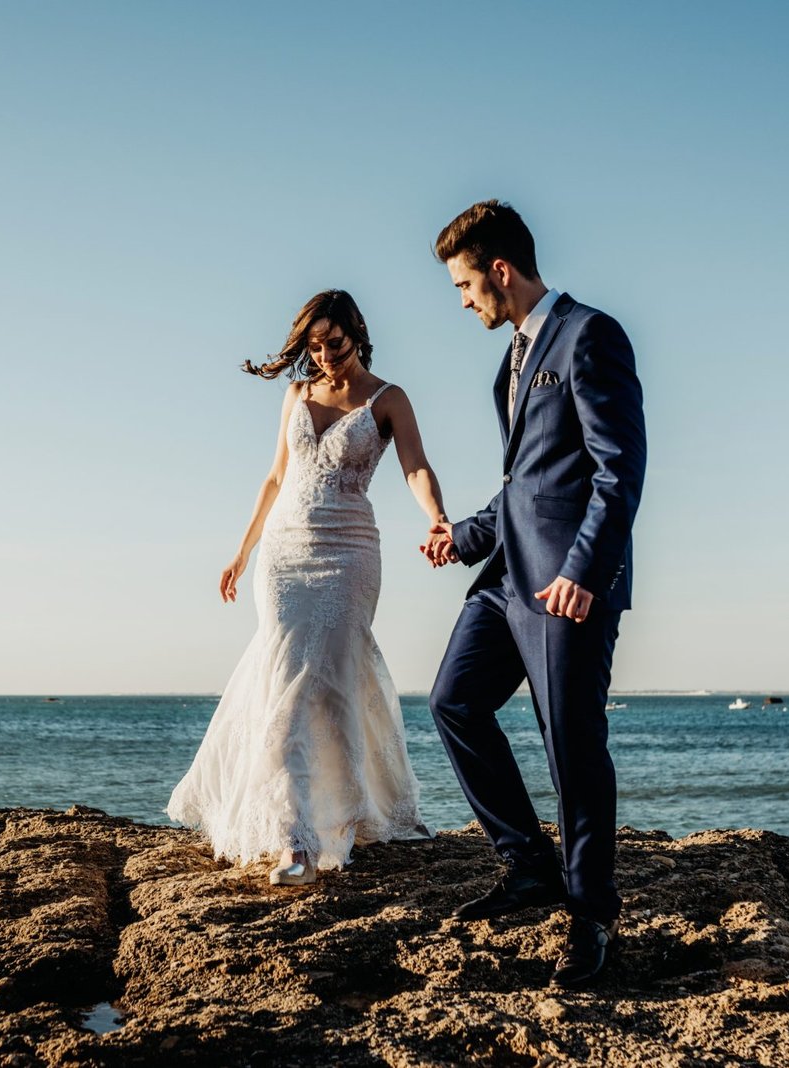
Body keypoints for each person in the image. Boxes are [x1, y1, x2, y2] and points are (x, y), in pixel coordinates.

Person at [423, 200, 646, 989]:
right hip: (505, 577)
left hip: (565, 587)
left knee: (571, 745)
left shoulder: (590, 335)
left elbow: (619, 471)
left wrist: (584, 573)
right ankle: (527, 866)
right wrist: (466, 537)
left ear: (501, 271)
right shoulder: (510, 360)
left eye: (463, 284)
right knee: (453, 701)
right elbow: (529, 483)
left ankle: (590, 915)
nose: (462, 300)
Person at [169, 289, 445, 886]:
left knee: (330, 683)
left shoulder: (388, 399)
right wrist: (242, 552)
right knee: (287, 680)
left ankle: (339, 824)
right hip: (284, 554)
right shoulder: (296, 394)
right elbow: (275, 477)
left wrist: (436, 516)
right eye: (314, 346)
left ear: (358, 332)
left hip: (349, 554)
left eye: (335, 343)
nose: (324, 356)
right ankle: (293, 837)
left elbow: (416, 467)